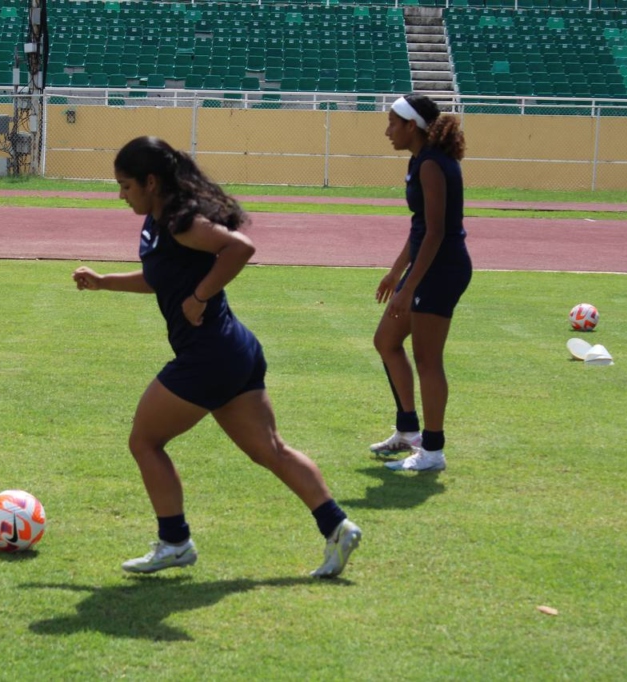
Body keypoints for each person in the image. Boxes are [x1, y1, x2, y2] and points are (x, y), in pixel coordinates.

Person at [72, 136, 362, 577]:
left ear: (151, 182)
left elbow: (239, 249)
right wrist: (104, 281)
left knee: (144, 441)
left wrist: (202, 295)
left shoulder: (178, 220)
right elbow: (162, 279)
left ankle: (174, 542)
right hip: (232, 352)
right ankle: (337, 526)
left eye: (126, 185)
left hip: (207, 357)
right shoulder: (157, 219)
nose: (120, 194)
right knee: (270, 450)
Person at [370, 94, 472, 472]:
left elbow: (436, 233)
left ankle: (432, 451)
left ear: (412, 125)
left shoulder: (431, 164)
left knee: (428, 361)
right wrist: (396, 272)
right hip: (429, 267)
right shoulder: (421, 160)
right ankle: (408, 430)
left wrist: (409, 286)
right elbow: (420, 229)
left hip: (441, 269)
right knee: (386, 341)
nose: (388, 132)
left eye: (393, 123)